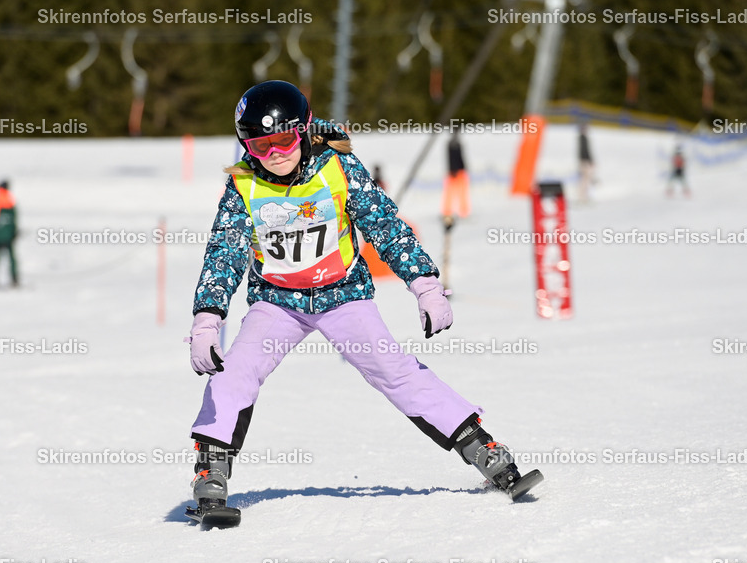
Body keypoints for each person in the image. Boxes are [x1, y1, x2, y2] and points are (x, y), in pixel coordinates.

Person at [185, 80, 541, 524]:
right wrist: (206, 320)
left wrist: (425, 285)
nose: (273, 153)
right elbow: (224, 254)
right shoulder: (244, 186)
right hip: (278, 302)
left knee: (397, 372)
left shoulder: (338, 168)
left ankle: (485, 451)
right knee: (235, 373)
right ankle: (211, 473)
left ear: (303, 130)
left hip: (343, 297)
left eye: (282, 140)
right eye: (259, 145)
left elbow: (386, 227)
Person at [0, 180, 19, 287]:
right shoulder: (8, 198)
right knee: (11, 258)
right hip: (7, 233)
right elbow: (13, 218)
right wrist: (14, 231)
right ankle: (14, 279)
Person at [441, 134, 470, 224]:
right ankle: (447, 213)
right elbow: (450, 158)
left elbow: (461, 158)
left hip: (460, 172)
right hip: (453, 172)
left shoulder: (458, 144)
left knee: (462, 193)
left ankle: (463, 212)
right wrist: (453, 169)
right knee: (450, 194)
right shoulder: (451, 144)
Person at [577, 124, 595, 202]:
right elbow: (585, 151)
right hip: (585, 161)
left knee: (585, 179)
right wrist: (589, 161)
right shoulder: (583, 138)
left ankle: (584, 196)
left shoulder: (582, 138)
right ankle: (583, 197)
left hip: (584, 161)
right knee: (585, 179)